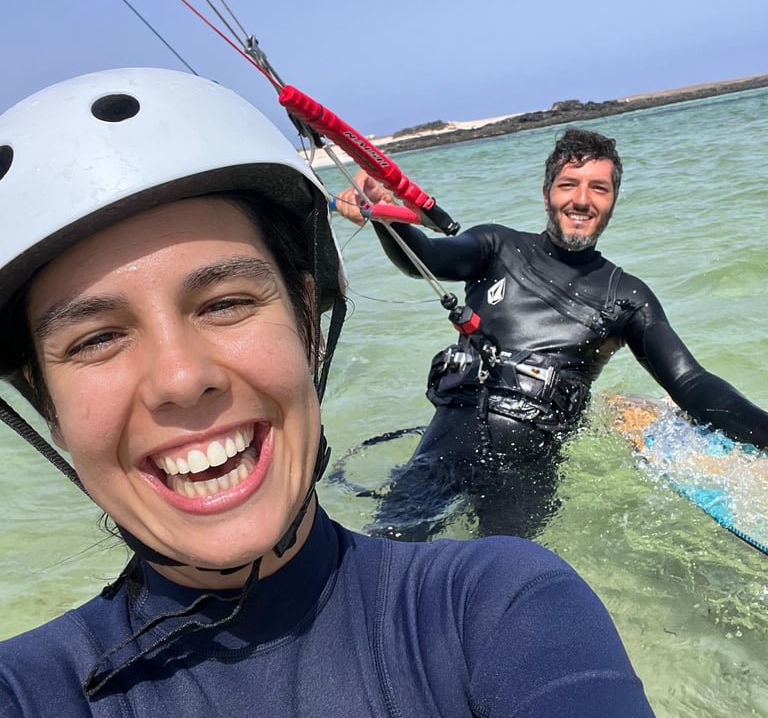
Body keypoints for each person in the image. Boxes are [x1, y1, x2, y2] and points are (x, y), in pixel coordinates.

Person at [0, 69, 655, 716]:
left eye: (225, 303)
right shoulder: (29, 690)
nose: (180, 378)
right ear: (46, 405)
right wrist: (388, 222)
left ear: (308, 325)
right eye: (94, 340)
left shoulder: (501, 604)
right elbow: (425, 251)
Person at [335, 130, 768, 541]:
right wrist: (385, 216)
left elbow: (691, 383)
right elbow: (424, 258)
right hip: (443, 453)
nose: (581, 200)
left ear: (613, 201)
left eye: (598, 188)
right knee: (387, 565)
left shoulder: (627, 296)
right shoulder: (496, 247)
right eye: (568, 185)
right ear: (547, 194)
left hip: (527, 476)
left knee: (499, 587)